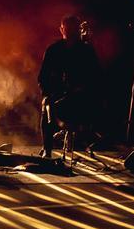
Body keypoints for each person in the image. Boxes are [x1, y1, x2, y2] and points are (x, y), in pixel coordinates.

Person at [38, 15, 100, 158]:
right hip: (59, 96)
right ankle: (47, 149)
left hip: (82, 97)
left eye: (74, 29)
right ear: (62, 30)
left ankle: (89, 138)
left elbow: (96, 76)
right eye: (68, 29)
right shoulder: (53, 50)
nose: (71, 32)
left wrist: (84, 88)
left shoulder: (87, 51)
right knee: (46, 107)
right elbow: (43, 77)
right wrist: (48, 94)